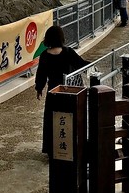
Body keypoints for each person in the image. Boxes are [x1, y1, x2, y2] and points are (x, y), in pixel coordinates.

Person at [35, 25, 90, 154]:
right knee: (68, 118)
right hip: (68, 91)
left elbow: (41, 74)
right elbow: (81, 64)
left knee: (52, 120)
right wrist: (93, 66)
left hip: (53, 93)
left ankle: (51, 148)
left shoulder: (44, 55)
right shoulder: (68, 52)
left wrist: (39, 88)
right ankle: (69, 146)